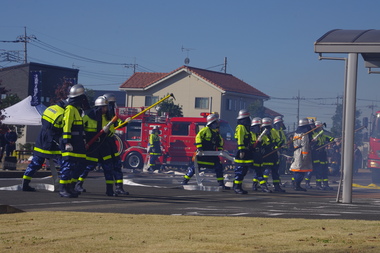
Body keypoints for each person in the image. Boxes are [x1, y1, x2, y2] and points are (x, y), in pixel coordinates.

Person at [77, 95, 129, 197]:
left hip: (107, 145)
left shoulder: (110, 116)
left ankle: (112, 189)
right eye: (106, 106)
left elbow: (119, 123)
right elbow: (80, 128)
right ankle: (78, 184)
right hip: (93, 145)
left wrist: (126, 122)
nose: (107, 108)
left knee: (109, 167)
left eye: (108, 106)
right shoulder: (89, 116)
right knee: (88, 166)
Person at [21, 99, 67, 191]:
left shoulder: (50, 108)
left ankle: (25, 184)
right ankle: (64, 187)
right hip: (53, 141)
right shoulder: (62, 113)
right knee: (63, 163)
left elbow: (43, 121)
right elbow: (60, 128)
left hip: (42, 139)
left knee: (35, 163)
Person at [181, 113, 230, 190]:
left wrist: (220, 149)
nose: (217, 124)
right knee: (195, 168)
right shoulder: (205, 130)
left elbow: (220, 141)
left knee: (219, 167)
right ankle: (184, 181)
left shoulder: (216, 133)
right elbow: (198, 137)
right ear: (212, 123)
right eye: (216, 122)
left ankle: (221, 184)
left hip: (212, 155)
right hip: (202, 154)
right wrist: (200, 147)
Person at [59, 84, 88, 198]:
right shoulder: (70, 109)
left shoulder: (78, 110)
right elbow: (67, 126)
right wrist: (67, 141)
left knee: (81, 164)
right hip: (70, 143)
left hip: (78, 143)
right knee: (68, 166)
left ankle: (71, 186)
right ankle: (63, 189)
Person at [261, 117, 285, 192]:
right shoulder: (261, 133)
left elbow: (275, 141)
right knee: (267, 170)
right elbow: (262, 143)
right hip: (266, 153)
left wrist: (280, 144)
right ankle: (263, 185)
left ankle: (276, 186)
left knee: (275, 170)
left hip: (273, 153)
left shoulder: (272, 132)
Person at [233, 109, 253, 194]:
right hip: (242, 151)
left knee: (244, 170)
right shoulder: (241, 127)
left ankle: (238, 185)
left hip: (246, 151)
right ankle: (237, 187)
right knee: (240, 169)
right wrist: (241, 150)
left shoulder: (246, 128)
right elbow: (240, 140)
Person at [289, 118, 313, 191]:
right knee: (301, 170)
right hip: (301, 153)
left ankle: (296, 184)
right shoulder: (304, 134)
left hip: (296, 152)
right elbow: (305, 145)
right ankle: (297, 185)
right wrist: (305, 156)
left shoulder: (296, 133)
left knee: (297, 169)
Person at [312, 121, 335, 190]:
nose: (321, 128)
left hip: (322, 154)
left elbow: (328, 138)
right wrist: (315, 139)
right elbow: (312, 142)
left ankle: (326, 184)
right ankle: (318, 185)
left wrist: (334, 139)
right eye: (320, 127)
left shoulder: (322, 135)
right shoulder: (313, 134)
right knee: (319, 170)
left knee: (325, 169)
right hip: (316, 154)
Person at [250, 117, 271, 193]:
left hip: (259, 155)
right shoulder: (251, 133)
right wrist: (257, 142)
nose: (260, 127)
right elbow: (252, 144)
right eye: (259, 126)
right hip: (252, 155)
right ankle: (262, 186)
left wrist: (264, 146)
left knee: (258, 170)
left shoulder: (260, 134)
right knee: (258, 171)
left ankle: (255, 185)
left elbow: (266, 142)